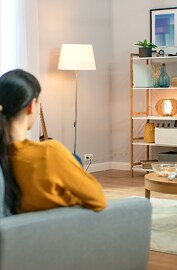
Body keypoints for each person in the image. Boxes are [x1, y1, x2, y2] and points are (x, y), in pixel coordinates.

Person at [0, 69, 106, 216]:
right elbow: (98, 200)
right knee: (74, 158)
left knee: (74, 157)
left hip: (19, 228)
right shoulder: (49, 152)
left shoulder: (6, 155)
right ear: (32, 106)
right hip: (59, 229)